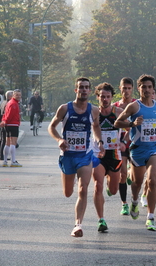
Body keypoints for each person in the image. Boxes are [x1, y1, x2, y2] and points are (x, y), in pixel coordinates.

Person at [48, 77, 105, 237]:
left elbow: (96, 126)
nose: (84, 90)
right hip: (67, 155)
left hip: (84, 156)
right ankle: (70, 180)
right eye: (81, 87)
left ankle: (78, 225)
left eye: (87, 87)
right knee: (68, 192)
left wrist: (99, 142)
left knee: (83, 189)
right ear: (76, 90)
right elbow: (51, 126)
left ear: (89, 90)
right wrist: (59, 139)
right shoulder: (65, 109)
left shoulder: (93, 110)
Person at [114, 74, 156, 231]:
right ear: (139, 88)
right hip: (138, 150)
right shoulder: (134, 107)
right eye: (143, 87)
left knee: (152, 181)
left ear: (153, 89)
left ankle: (150, 217)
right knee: (136, 183)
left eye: (149, 87)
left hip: (154, 148)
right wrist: (132, 123)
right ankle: (135, 200)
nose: (147, 90)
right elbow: (117, 123)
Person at [92, 82, 125, 232]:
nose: (105, 99)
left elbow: (130, 127)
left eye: (107, 97)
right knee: (97, 185)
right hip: (98, 154)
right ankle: (101, 220)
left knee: (113, 190)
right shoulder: (93, 113)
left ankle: (109, 183)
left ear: (112, 97)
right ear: (97, 97)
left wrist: (124, 142)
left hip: (114, 154)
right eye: (102, 97)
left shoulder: (118, 112)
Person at [113, 77, 136, 215]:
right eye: (124, 88)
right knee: (122, 175)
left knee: (134, 176)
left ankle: (134, 199)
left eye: (129, 88)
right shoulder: (115, 106)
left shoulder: (137, 105)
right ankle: (124, 204)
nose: (126, 91)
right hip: (119, 144)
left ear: (132, 89)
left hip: (135, 143)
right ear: (120, 88)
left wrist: (128, 136)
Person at [0, 90, 22, 167]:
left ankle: (5, 161)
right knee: (13, 143)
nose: (19, 96)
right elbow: (9, 114)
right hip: (13, 124)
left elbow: (5, 114)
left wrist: (4, 121)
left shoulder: (9, 103)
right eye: (17, 95)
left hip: (8, 124)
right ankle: (13, 161)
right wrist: (5, 121)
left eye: (19, 95)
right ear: (13, 95)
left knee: (7, 142)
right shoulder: (14, 104)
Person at [0, 90, 13, 161]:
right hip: (5, 122)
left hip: (2, 121)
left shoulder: (3, 102)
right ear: (10, 96)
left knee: (2, 140)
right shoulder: (8, 103)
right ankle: (1, 155)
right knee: (4, 140)